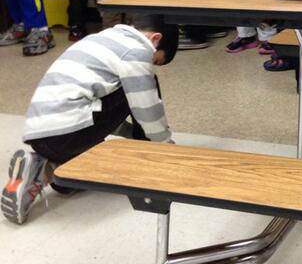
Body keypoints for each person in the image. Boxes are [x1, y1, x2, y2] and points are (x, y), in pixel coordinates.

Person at [1, 16, 178, 225]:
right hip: (69, 131)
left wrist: (127, 133)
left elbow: (105, 109)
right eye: (154, 60)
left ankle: (49, 168)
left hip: (42, 131)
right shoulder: (136, 51)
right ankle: (149, 156)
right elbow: (145, 107)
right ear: (155, 39)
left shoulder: (101, 39)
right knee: (143, 86)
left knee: (74, 180)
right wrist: (166, 147)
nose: (150, 63)